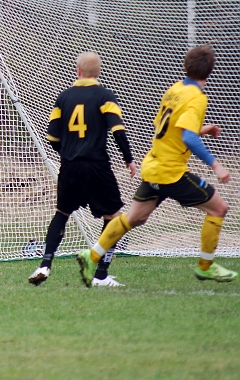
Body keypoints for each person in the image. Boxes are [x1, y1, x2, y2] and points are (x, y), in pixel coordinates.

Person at [77, 45, 236, 286]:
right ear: (210, 71)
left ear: (186, 66)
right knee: (218, 209)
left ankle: (92, 255)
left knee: (133, 218)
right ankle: (206, 266)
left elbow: (169, 128)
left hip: (153, 165)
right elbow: (188, 137)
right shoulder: (197, 98)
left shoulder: (175, 89)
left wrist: (203, 129)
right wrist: (216, 165)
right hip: (171, 172)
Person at [29, 52, 136, 287]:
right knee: (114, 217)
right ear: (98, 72)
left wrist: (68, 154)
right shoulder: (105, 96)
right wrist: (129, 159)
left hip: (69, 166)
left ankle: (45, 265)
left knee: (62, 213)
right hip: (96, 165)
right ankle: (100, 274)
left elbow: (52, 137)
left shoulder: (63, 97)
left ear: (77, 71)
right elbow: (117, 130)